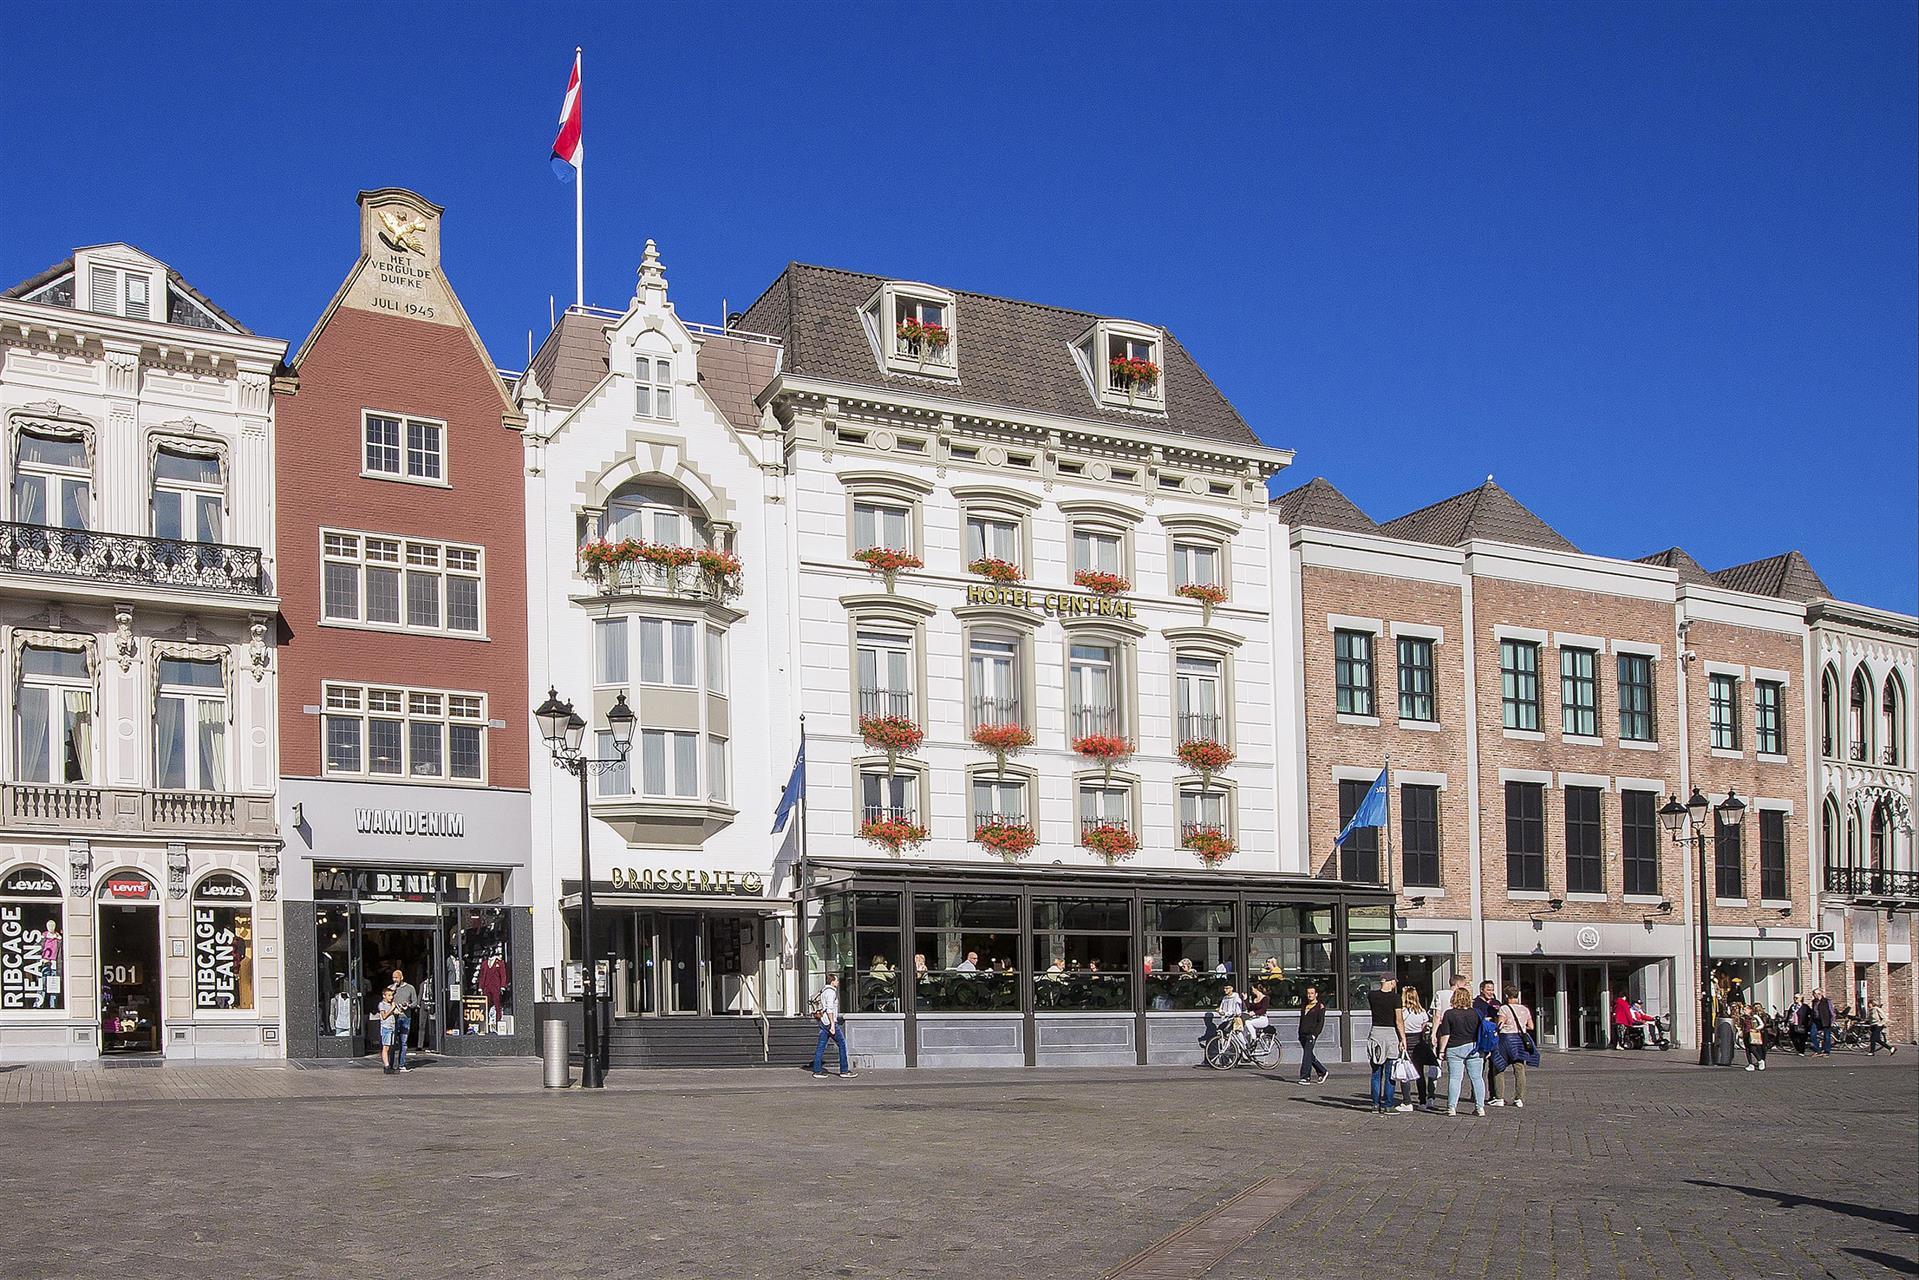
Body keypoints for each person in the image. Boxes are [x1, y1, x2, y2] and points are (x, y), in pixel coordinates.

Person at [1433, 987, 1488, 1117]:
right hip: (1474, 1048)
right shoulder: (1476, 1013)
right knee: (1477, 1078)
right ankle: (1480, 1108)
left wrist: (1441, 1051)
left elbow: (1445, 1034)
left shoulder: (1449, 1014)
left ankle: (1452, 1108)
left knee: (1455, 1079)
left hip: (1454, 1048)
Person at [1365, 975, 1408, 1114]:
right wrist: (1403, 1038)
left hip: (1375, 1033)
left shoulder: (1372, 995)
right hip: (1390, 1034)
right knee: (1390, 1072)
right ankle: (1388, 1105)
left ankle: (1375, 1104)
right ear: (1391, 982)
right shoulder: (1395, 998)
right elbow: (1399, 1020)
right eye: (1394, 981)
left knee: (1376, 1072)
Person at [1489, 985, 1536, 1106]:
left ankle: (1499, 1097)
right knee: (1519, 1069)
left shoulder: (1504, 1008)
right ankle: (1519, 1098)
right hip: (1520, 1040)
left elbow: (1499, 1025)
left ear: (1506, 996)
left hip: (1506, 1039)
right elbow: (1531, 1026)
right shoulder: (1525, 1009)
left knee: (1498, 1067)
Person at [809, 974, 858, 1079]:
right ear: (832, 981)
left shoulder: (823, 991)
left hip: (823, 1021)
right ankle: (844, 1070)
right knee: (842, 1044)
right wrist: (832, 1024)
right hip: (830, 1023)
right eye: (836, 980)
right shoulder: (831, 992)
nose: (838, 982)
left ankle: (817, 1071)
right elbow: (830, 1009)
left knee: (821, 1046)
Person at [1401, 987, 1437, 1110]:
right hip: (1418, 1042)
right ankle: (1422, 1101)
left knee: (1405, 1073)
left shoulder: (1402, 1011)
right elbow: (1423, 1027)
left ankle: (1407, 1101)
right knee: (1419, 1073)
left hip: (1406, 1041)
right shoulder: (1422, 1012)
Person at [387, 968, 419, 1073]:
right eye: (393, 978)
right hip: (393, 1018)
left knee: (403, 1042)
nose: (395, 980)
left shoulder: (410, 988)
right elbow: (386, 1000)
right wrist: (393, 989)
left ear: (402, 978)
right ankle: (390, 1064)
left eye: (396, 978)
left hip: (405, 1017)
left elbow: (415, 1002)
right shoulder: (391, 988)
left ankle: (402, 1064)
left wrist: (408, 1005)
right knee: (392, 1042)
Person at [1296, 986, 1328, 1084]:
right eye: (1308, 993)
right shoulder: (1304, 1005)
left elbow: (1320, 1022)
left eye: (1312, 993)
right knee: (1309, 1054)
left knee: (1306, 1055)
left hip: (1311, 1034)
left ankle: (1305, 1077)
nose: (1310, 995)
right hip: (1303, 1033)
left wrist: (1315, 1034)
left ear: (1316, 994)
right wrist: (1299, 1031)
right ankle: (1322, 1071)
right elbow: (1302, 1019)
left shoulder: (1320, 1006)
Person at [1740, 1003, 1769, 1071]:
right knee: (1747, 1050)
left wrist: (1756, 1029)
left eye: (1745, 1009)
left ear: (1750, 1010)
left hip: (1753, 1034)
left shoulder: (1755, 1016)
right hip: (1745, 1034)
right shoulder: (1743, 1017)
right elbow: (1741, 1026)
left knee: (1752, 1048)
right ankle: (1750, 1064)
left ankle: (1760, 1060)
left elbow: (1761, 1024)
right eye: (1743, 1009)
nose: (1744, 1011)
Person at [1245, 983, 1273, 1051]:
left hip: (1262, 1019)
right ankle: (1249, 1051)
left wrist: (1254, 1013)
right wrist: (1245, 1000)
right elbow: (1250, 1008)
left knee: (1248, 1022)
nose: (1252, 991)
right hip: (1255, 1018)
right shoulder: (1255, 999)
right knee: (1247, 1033)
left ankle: (1254, 1039)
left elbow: (1263, 1010)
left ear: (1256, 989)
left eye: (1252, 989)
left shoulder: (1265, 998)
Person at [1810, 989, 1837, 1056]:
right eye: (1813, 994)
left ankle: (1826, 1051)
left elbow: (1832, 1011)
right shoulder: (1814, 1002)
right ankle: (1818, 1049)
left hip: (1825, 1020)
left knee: (1826, 1036)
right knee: (1812, 1034)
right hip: (1816, 1020)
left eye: (1815, 994)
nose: (1813, 995)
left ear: (1820, 994)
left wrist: (1832, 1021)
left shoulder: (1827, 1001)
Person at [377, 984, 397, 1073]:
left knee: (390, 1047)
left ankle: (388, 1065)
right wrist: (392, 1008)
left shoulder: (390, 1004)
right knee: (386, 1047)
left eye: (392, 995)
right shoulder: (382, 1005)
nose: (391, 997)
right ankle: (386, 1066)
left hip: (392, 1027)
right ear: (384, 995)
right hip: (386, 1027)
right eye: (389, 995)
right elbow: (384, 1016)